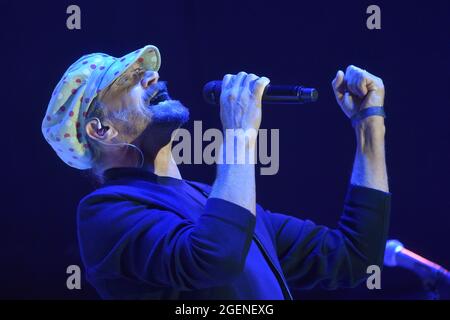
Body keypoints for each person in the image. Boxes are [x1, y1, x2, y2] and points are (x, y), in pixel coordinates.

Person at [42, 45, 391, 299]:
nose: (152, 76)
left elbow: (354, 256)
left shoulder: (211, 198)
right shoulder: (105, 211)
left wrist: (368, 124)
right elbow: (214, 258)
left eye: (145, 71)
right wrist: (239, 132)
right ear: (102, 130)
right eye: (130, 78)